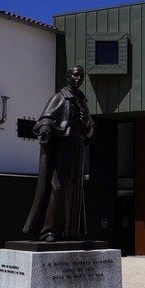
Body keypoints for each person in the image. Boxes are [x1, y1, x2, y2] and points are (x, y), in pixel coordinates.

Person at [23, 65, 95, 242]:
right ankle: (49, 231)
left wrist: (86, 123)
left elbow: (91, 131)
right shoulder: (60, 97)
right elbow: (46, 118)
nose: (78, 79)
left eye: (81, 76)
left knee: (75, 190)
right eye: (75, 75)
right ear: (68, 76)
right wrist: (46, 130)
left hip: (78, 147)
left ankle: (70, 231)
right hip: (64, 146)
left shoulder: (82, 100)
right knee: (58, 187)